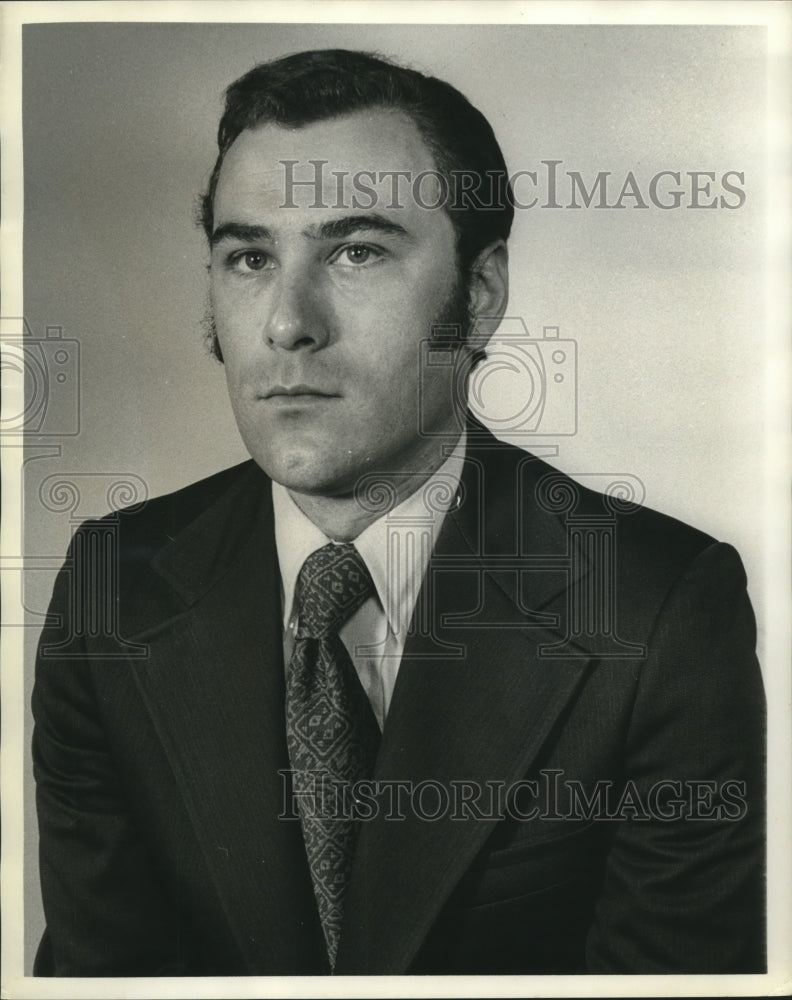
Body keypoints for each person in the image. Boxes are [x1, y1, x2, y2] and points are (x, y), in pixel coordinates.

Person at [32, 48, 765, 976]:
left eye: (357, 251)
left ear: (482, 296)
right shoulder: (113, 593)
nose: (287, 323)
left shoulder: (658, 609)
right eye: (250, 257)